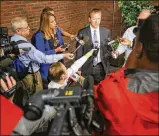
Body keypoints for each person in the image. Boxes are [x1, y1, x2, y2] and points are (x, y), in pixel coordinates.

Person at [94, 13, 159, 135]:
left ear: (139, 48)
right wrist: (118, 51)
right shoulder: (130, 31)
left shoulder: (113, 92)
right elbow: (121, 47)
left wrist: (133, 50)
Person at [10, 17, 73, 95]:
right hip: (32, 75)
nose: (29, 28)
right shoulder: (27, 46)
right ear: (18, 31)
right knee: (37, 94)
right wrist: (63, 55)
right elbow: (44, 58)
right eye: (26, 28)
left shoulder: (12, 39)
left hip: (22, 72)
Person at [75, 8, 111, 85]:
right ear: (89, 19)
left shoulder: (106, 32)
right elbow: (79, 51)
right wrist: (78, 68)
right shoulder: (82, 32)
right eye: (94, 18)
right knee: (87, 90)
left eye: (98, 18)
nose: (96, 21)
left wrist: (107, 61)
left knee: (99, 90)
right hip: (86, 67)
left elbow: (108, 48)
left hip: (100, 67)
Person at [31, 11, 66, 89]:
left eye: (55, 20)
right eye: (52, 21)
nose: (55, 23)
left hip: (58, 66)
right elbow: (41, 55)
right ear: (46, 23)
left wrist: (62, 48)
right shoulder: (39, 36)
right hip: (48, 70)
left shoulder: (54, 31)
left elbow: (58, 44)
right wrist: (56, 50)